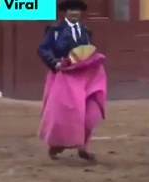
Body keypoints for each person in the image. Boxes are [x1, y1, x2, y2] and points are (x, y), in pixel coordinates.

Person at [37, 0, 107, 162]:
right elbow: (42, 49)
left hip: (83, 75)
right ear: (65, 12)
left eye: (77, 10)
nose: (74, 13)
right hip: (64, 76)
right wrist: (55, 63)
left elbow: (87, 52)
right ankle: (57, 144)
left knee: (89, 111)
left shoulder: (85, 30)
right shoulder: (55, 30)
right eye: (71, 10)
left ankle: (83, 146)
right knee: (66, 112)